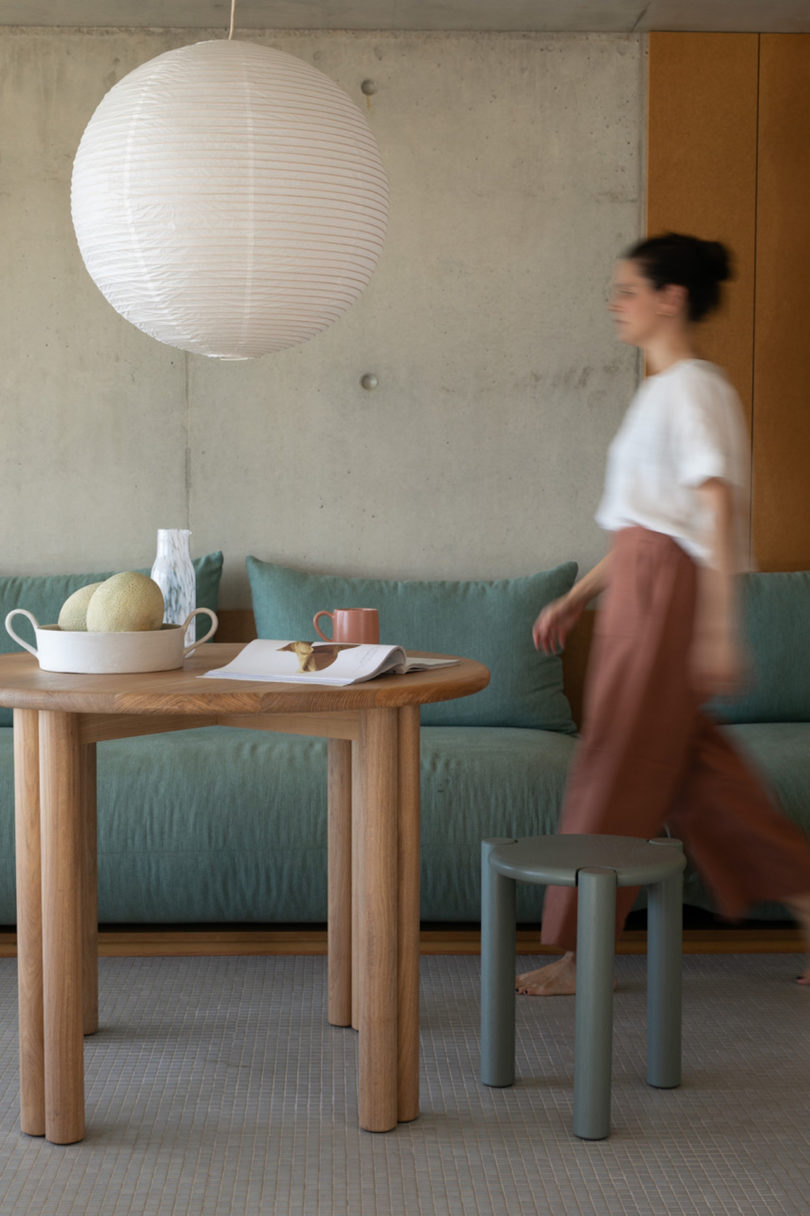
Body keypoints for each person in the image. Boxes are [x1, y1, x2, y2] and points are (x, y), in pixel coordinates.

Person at [517, 232, 810, 996]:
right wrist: (578, 596)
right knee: (695, 774)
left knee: (612, 762)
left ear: (669, 297)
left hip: (668, 598)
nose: (615, 304)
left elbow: (713, 507)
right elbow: (646, 525)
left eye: (627, 290)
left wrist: (716, 628)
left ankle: (581, 957)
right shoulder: (659, 392)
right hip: (645, 587)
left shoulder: (694, 389)